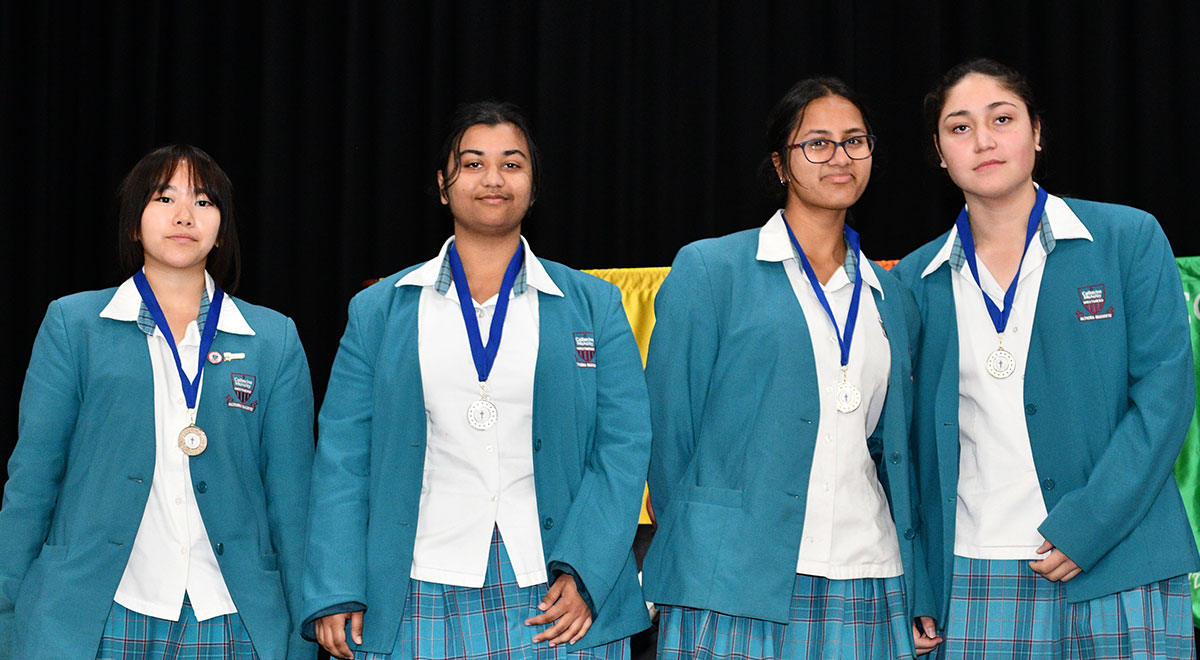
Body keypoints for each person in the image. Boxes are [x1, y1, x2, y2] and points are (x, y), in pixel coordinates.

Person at [301, 101, 651, 659]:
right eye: (473, 164)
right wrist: (337, 587)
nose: (493, 178)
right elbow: (343, 457)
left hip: (558, 593)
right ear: (443, 185)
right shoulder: (379, 310)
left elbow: (624, 448)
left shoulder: (594, 305)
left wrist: (588, 571)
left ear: (533, 188)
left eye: (512, 164)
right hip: (412, 587)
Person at [893, 58, 1199, 658]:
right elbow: (900, 448)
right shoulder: (911, 282)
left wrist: (1088, 527)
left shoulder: (1126, 240)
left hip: (1123, 559)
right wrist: (916, 583)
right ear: (938, 152)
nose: (982, 140)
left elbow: (1164, 398)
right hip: (976, 573)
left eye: (1001, 118)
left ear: (1036, 131)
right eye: (959, 128)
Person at [641, 77, 940, 659]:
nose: (840, 157)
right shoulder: (712, 270)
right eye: (817, 143)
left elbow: (891, 453)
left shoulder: (892, 297)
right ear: (781, 164)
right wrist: (698, 554)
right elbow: (669, 434)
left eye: (856, 141)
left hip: (869, 577)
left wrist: (918, 585)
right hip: (732, 580)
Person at [0, 144, 316, 659]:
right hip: (98, 610)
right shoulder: (73, 325)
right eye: (164, 197)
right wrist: (5, 610)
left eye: (204, 202)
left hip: (232, 613)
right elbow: (33, 480)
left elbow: (293, 498)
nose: (184, 215)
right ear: (133, 223)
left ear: (222, 230)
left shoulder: (272, 338)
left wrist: (307, 617)